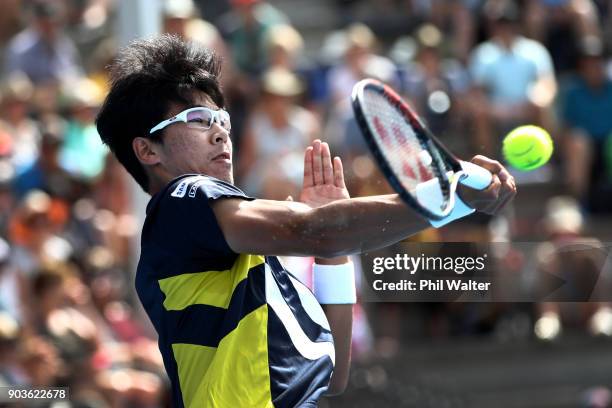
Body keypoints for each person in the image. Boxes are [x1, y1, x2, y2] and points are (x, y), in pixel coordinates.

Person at [95, 34, 516, 407]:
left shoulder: (250, 268)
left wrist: (334, 253)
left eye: (221, 119)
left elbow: (333, 376)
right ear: (149, 151)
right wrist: (449, 197)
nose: (221, 132)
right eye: (197, 120)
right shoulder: (183, 196)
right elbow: (313, 230)